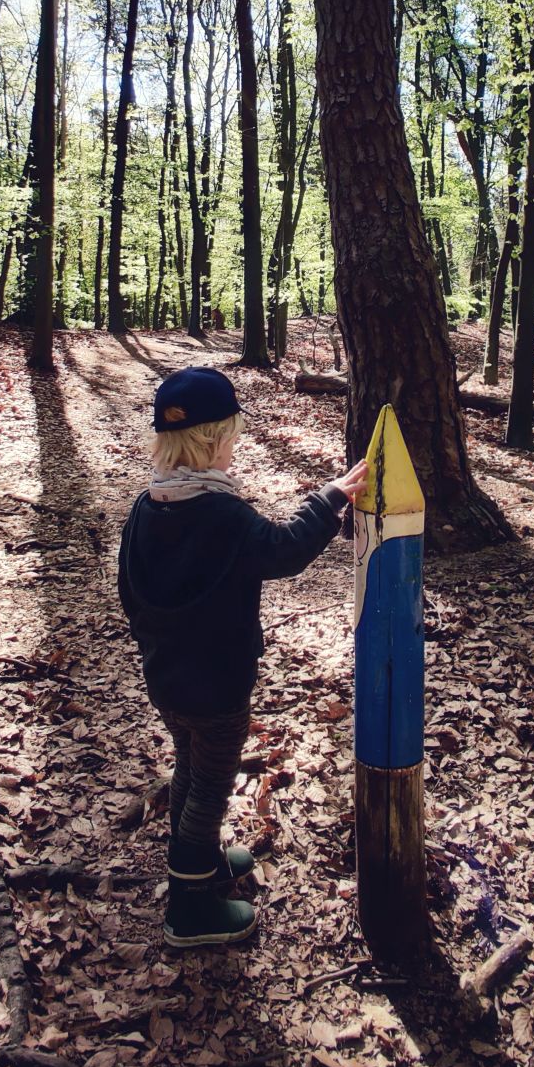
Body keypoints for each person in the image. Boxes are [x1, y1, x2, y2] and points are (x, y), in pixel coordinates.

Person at [117, 365, 368, 948]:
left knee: (189, 765)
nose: (236, 444)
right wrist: (328, 498)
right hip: (217, 687)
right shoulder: (223, 514)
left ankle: (195, 861)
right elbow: (282, 551)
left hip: (167, 680)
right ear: (213, 440)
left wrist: (157, 641)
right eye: (232, 434)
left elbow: (127, 588)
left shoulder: (147, 509)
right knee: (210, 782)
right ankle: (191, 908)